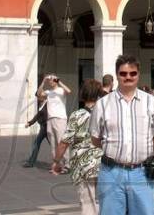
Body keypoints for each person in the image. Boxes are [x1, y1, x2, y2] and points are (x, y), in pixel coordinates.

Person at [89, 54, 154, 215]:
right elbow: (95, 138)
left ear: (138, 75)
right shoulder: (103, 104)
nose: (128, 77)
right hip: (111, 171)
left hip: (141, 173)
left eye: (132, 73)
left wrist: (144, 148)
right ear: (117, 75)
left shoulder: (151, 102)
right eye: (123, 73)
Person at [52, 79, 104, 215]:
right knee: (105, 201)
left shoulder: (77, 115)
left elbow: (64, 142)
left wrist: (57, 162)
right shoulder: (105, 114)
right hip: (104, 164)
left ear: (83, 94)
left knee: (88, 203)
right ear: (99, 95)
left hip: (83, 166)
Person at [37, 74, 71, 170]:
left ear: (55, 81)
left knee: (62, 141)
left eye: (51, 80)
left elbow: (69, 91)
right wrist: (43, 81)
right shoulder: (48, 92)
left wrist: (58, 80)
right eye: (49, 80)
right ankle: (57, 164)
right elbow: (39, 94)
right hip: (50, 119)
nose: (50, 81)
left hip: (60, 119)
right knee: (53, 143)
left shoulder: (60, 90)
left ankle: (67, 164)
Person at [23, 100, 48, 168]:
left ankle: (64, 163)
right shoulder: (41, 104)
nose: (38, 99)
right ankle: (31, 162)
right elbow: (38, 115)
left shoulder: (47, 104)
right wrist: (30, 123)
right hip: (43, 128)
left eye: (38, 96)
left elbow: (39, 115)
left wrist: (30, 123)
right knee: (36, 143)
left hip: (48, 127)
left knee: (55, 146)